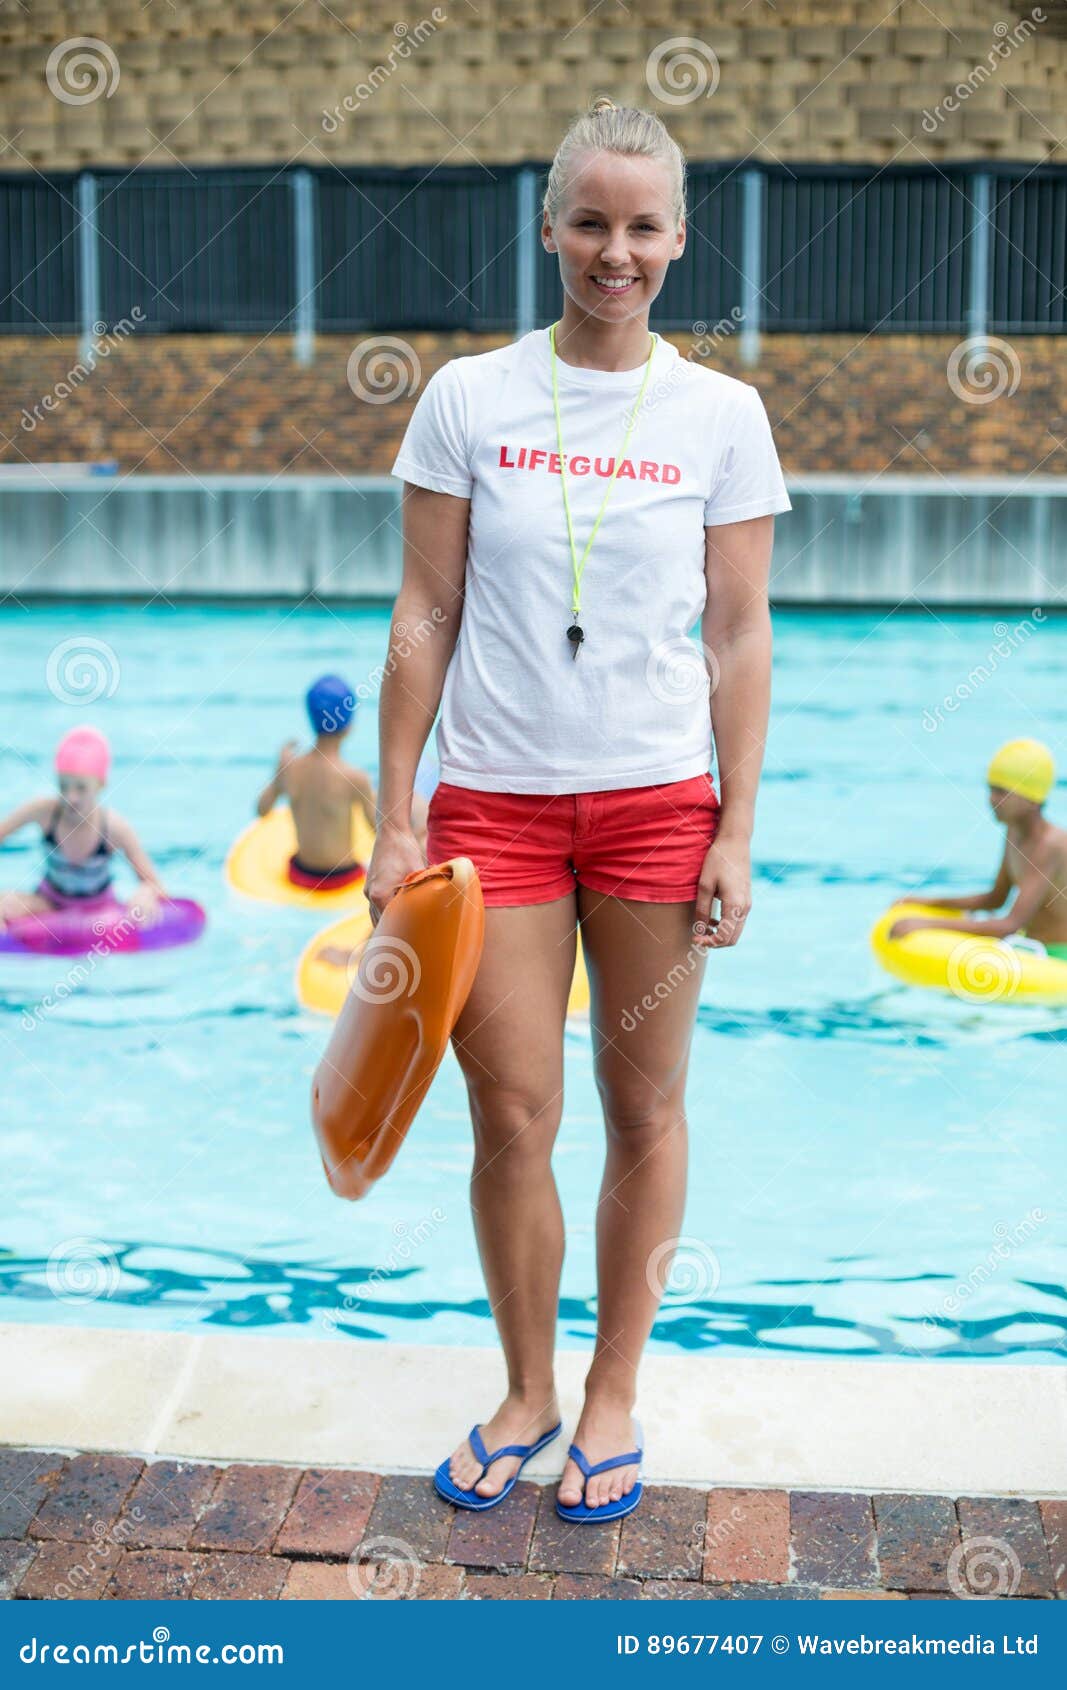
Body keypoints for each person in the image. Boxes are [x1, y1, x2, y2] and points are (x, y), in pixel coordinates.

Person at [364, 98, 791, 1521]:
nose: (616, 251)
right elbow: (422, 612)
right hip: (492, 809)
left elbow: (738, 634)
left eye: (643, 225)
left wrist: (733, 824)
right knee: (509, 1109)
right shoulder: (467, 398)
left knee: (643, 1103)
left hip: (655, 812)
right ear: (549, 228)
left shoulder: (720, 416)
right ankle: (526, 1384)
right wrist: (395, 812)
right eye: (590, 222)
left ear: (678, 238)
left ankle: (611, 1389)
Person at [890, 738, 1067, 957]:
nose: (992, 799)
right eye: (991, 789)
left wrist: (926, 923)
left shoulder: (1050, 846)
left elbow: (1009, 925)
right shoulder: (1014, 832)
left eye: (1002, 792)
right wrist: (927, 902)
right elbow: (995, 898)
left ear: (1032, 799)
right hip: (1032, 946)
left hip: (1059, 956)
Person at [0, 726, 166, 927]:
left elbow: (154, 884)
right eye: (63, 786)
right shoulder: (45, 813)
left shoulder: (114, 829)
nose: (71, 797)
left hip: (100, 912)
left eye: (81, 787)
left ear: (100, 784)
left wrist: (146, 892)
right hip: (47, 905)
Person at [257, 675, 378, 890]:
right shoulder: (356, 778)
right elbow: (378, 829)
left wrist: (279, 771)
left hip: (300, 874)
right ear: (349, 725)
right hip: (342, 878)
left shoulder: (289, 768)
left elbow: (262, 810)